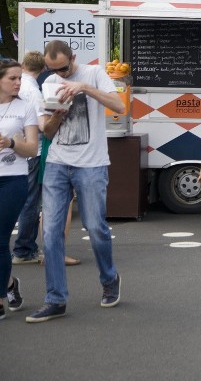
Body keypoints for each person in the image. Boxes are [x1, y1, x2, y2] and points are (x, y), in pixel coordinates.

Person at [27, 41, 125, 323]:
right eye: (54, 69)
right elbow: (46, 132)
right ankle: (55, 299)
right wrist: (57, 115)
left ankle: (109, 278)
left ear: (74, 57)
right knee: (51, 233)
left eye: (65, 67)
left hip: (91, 164)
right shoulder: (49, 84)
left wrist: (84, 88)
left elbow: (118, 104)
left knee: (95, 227)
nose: (62, 74)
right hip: (58, 162)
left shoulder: (94, 73)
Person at [0, 59, 40, 321]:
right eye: (12, 78)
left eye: (19, 78)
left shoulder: (25, 107)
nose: (18, 83)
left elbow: (32, 149)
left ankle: (1, 299)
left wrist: (11, 142)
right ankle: (10, 283)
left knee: (1, 240)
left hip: (13, 179)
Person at [12, 51, 46, 265]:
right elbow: (41, 125)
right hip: (32, 151)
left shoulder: (13, 86)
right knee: (30, 201)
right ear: (43, 69)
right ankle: (24, 250)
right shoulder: (34, 92)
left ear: (23, 64)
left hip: (12, 148)